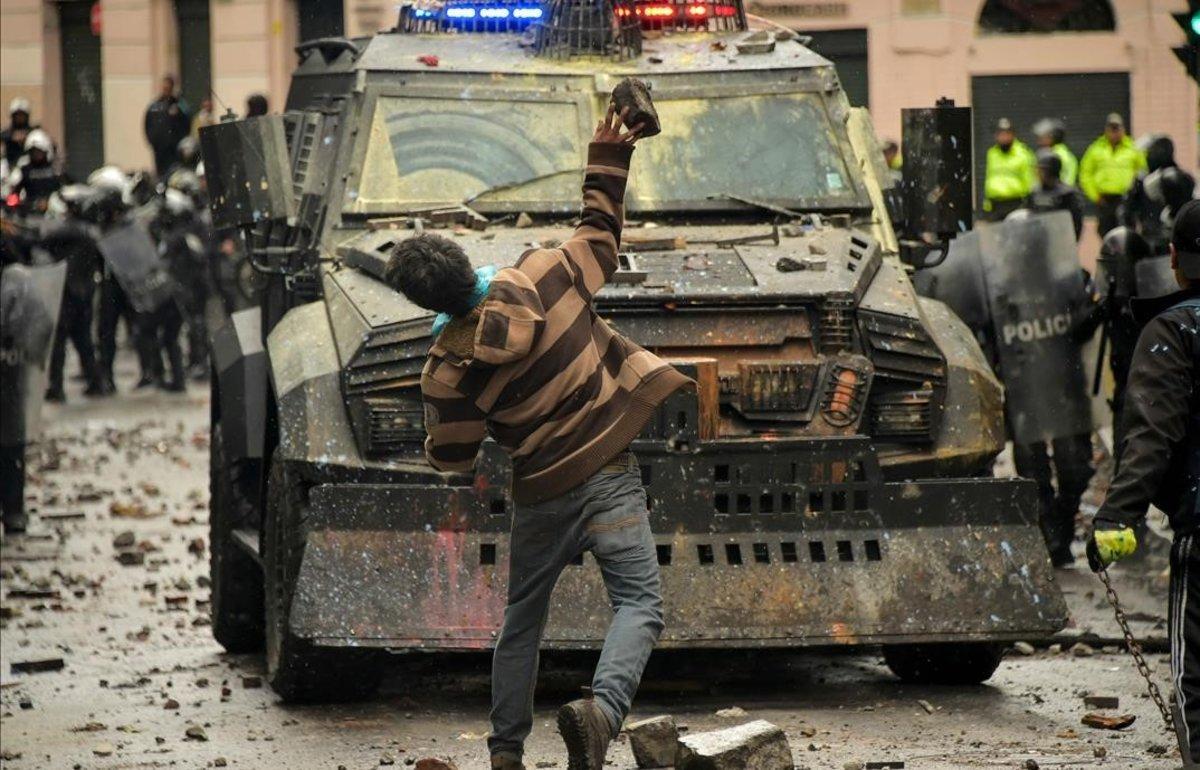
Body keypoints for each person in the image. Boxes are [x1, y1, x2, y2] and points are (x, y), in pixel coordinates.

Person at [384, 105, 689, 770]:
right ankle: (602, 714)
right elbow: (601, 231)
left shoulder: (445, 370)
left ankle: (505, 753)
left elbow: (454, 455)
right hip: (608, 471)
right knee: (639, 602)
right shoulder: (550, 273)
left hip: (543, 491)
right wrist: (609, 154)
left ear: (426, 303)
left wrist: (441, 389)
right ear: (467, 259)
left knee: (522, 618)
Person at [1086, 198, 1200, 763]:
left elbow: (1151, 435)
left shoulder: (1173, 331)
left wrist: (1114, 518)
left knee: (1196, 683)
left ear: (1175, 259)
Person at [1, 223, 56, 534]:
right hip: (11, 376)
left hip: (8, 375)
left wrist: (17, 346)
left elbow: (39, 326)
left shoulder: (16, 281)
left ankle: (13, 510)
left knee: (9, 446)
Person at [41, 189, 105, 401]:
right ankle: (96, 382)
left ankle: (57, 388)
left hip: (69, 292)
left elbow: (46, 237)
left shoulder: (73, 230)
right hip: (84, 292)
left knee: (60, 342)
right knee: (83, 340)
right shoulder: (91, 232)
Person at [1120, 135, 1195, 254]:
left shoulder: (1180, 178)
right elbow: (1126, 212)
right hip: (1150, 243)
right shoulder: (1141, 182)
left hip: (1178, 244)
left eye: (1148, 154)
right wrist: (1129, 239)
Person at [1079, 113, 1146, 239]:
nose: (1114, 133)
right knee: (1106, 232)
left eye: (1117, 129)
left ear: (1123, 130)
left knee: (1127, 230)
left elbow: (1142, 172)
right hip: (1105, 200)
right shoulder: (1095, 149)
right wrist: (1094, 195)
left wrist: (1136, 194)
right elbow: (1085, 174)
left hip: (1126, 199)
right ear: (1106, 130)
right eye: (1111, 129)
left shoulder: (1133, 149)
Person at [1023, 149, 1085, 240]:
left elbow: (1076, 223)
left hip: (1059, 241)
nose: (1037, 173)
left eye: (1041, 170)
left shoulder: (1068, 193)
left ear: (1051, 171)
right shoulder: (1034, 193)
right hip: (1038, 242)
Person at [983, 117, 1035, 221]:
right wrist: (986, 205)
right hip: (996, 204)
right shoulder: (992, 153)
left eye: (1007, 133)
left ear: (1013, 135)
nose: (1003, 137)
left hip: (1015, 203)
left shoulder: (1023, 154)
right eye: (1000, 134)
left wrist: (1030, 203)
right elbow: (989, 178)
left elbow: (1030, 180)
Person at [144, 75, 191, 178]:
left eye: (168, 88)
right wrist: (153, 141)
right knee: (161, 175)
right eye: (164, 87)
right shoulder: (155, 106)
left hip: (175, 150)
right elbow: (148, 125)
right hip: (159, 149)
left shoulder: (179, 105)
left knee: (175, 174)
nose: (166, 90)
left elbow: (187, 123)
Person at [8, 129, 63, 213]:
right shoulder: (24, 171)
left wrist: (49, 202)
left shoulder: (55, 170)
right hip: (30, 214)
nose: (36, 154)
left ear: (46, 151)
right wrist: (15, 203)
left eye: (39, 151)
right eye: (33, 151)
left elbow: (63, 190)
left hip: (53, 213)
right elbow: (14, 195)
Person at [1032, 118, 1078, 187]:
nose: (1039, 141)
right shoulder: (1046, 153)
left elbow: (1067, 181)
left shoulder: (1061, 156)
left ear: (1054, 137)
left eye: (1043, 137)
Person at [1, 98, 35, 171]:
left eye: (22, 115)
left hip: (29, 166)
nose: (19, 117)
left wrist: (27, 137)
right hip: (10, 165)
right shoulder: (7, 132)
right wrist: (12, 137)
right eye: (17, 115)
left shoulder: (33, 131)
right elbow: (3, 136)